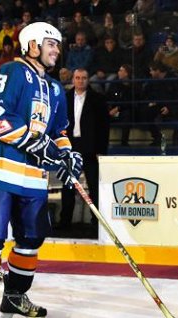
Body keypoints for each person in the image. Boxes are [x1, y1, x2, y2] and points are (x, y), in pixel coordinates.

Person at [0, 22, 83, 317]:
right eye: (51, 43)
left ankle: (15, 296)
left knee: (31, 239)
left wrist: (68, 155)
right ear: (32, 45)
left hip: (33, 177)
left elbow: (59, 130)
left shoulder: (56, 88)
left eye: (58, 44)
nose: (57, 50)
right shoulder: (11, 71)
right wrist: (35, 143)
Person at [58, 68, 109, 237]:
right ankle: (64, 221)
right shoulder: (64, 99)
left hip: (91, 148)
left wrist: (101, 150)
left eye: (84, 78)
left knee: (94, 186)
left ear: (88, 80)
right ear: (73, 79)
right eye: (78, 78)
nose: (80, 81)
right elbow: (59, 124)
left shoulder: (98, 100)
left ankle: (97, 222)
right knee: (68, 186)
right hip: (70, 146)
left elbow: (104, 127)